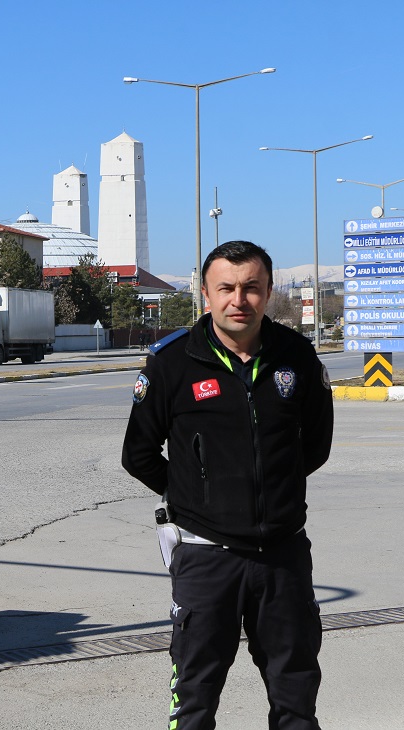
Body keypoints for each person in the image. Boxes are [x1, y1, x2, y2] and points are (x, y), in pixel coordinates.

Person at [121, 240, 334, 730]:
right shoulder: (172, 364)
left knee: (296, 698)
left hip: (283, 558)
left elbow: (315, 447)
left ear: (268, 291)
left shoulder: (296, 357)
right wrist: (200, 495)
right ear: (205, 294)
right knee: (194, 701)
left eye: (251, 288)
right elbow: (138, 455)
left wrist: (270, 493)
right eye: (226, 288)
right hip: (204, 558)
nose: (239, 299)